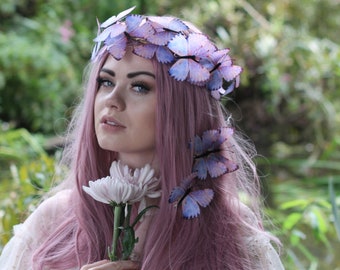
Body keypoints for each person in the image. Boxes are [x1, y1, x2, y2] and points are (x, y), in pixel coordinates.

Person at [0, 6, 284, 270]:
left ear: (181, 108)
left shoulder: (229, 231)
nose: (112, 100)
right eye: (106, 82)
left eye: (139, 87)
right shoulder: (54, 221)